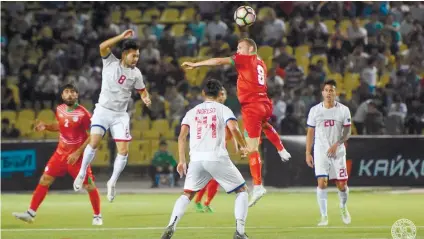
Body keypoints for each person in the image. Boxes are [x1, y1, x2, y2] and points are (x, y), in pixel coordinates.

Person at [181, 38, 291, 207]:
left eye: (240, 47)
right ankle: (281, 149)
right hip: (265, 103)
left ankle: (258, 186)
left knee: (252, 148)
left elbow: (218, 61)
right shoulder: (260, 62)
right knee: (265, 125)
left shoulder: (244, 58)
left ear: (250, 49)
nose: (237, 51)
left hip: (252, 106)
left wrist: (197, 65)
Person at [161, 80, 249, 239]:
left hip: (196, 160)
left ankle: (171, 225)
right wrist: (243, 146)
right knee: (242, 191)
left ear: (203, 93)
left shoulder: (192, 111)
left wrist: (182, 160)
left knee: (187, 194)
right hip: (216, 157)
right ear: (220, 94)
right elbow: (234, 128)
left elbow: (181, 137)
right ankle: (240, 232)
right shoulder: (223, 109)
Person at [73, 29, 152, 202]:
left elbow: (143, 91)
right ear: (124, 54)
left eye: (138, 56)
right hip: (102, 111)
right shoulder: (110, 63)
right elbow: (102, 46)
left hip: (120, 115)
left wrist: (146, 98)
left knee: (123, 151)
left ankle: (112, 182)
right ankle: (81, 173)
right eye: (133, 56)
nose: (136, 59)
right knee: (93, 142)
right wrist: (121, 37)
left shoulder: (136, 74)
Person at [12, 84, 102, 225]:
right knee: (44, 180)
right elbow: (60, 126)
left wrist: (78, 153)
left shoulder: (83, 114)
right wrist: (46, 126)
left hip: (76, 158)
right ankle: (30, 213)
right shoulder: (59, 109)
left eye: (73, 92)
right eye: (66, 92)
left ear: (77, 95)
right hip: (59, 154)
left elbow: (93, 135)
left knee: (89, 186)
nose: (70, 94)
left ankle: (97, 216)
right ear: (62, 96)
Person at [305, 80, 352, 226]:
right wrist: (308, 152)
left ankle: (343, 207)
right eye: (326, 90)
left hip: (338, 151)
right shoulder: (315, 110)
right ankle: (324, 216)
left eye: (331, 90)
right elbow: (310, 132)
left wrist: (337, 144)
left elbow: (347, 132)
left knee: (342, 185)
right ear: (322, 93)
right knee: (322, 182)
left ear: (335, 93)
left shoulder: (344, 110)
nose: (329, 93)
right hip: (320, 151)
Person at [193, 87, 235, 213]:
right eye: (220, 94)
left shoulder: (226, 111)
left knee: (216, 179)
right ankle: (199, 201)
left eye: (224, 94)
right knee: (210, 177)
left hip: (221, 149)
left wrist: (235, 144)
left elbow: (231, 131)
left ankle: (205, 202)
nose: (222, 96)